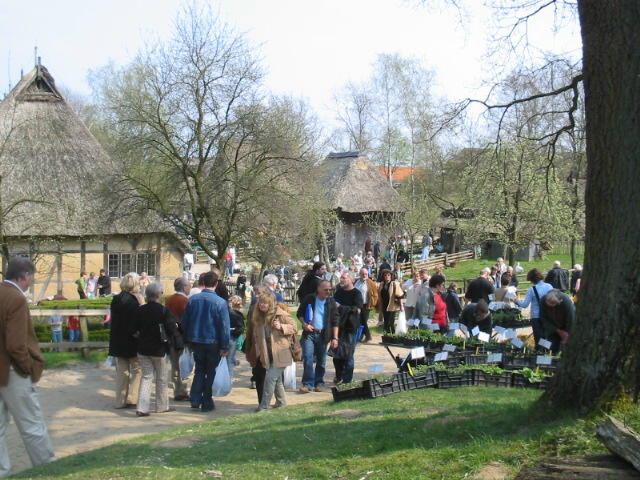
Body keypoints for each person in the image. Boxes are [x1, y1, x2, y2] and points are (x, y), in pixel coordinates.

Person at [0, 257, 55, 476]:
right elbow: (16, 345)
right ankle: (47, 468)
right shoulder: (16, 298)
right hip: (12, 371)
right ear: (25, 276)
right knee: (32, 425)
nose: (32, 282)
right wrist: (27, 368)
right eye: (31, 277)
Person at [181, 271, 230, 412]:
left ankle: (195, 398)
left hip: (196, 340)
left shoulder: (193, 300)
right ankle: (207, 401)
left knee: (200, 370)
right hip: (213, 341)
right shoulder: (220, 302)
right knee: (210, 371)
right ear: (216, 284)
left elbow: (185, 322)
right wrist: (224, 346)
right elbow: (224, 326)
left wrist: (187, 339)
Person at [133, 282, 181, 417]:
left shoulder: (140, 310)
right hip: (159, 349)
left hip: (143, 348)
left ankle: (142, 407)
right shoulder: (163, 311)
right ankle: (161, 406)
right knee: (161, 377)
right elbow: (171, 329)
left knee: (146, 377)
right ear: (159, 295)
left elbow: (134, 330)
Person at [247, 293, 297, 411]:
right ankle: (282, 402)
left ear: (271, 303)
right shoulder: (258, 317)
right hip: (267, 354)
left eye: (265, 302)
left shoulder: (280, 314)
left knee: (270, 378)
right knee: (277, 379)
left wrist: (281, 327)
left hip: (281, 353)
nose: (262, 305)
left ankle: (264, 406)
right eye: (260, 302)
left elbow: (294, 327)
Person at [296, 280, 339, 393]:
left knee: (321, 360)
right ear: (318, 289)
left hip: (323, 335)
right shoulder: (309, 298)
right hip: (309, 334)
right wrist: (304, 324)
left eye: (330, 289)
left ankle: (319, 383)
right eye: (326, 290)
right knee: (308, 357)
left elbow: (335, 321)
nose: (328, 292)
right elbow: (299, 313)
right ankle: (307, 384)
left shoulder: (331, 301)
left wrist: (335, 338)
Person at [108, 272, 143, 409]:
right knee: (137, 369)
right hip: (132, 339)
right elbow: (136, 320)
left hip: (117, 338)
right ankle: (132, 398)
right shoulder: (135, 301)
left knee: (122, 371)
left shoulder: (115, 299)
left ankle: (120, 400)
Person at [331, 272, 363, 384]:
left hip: (350, 328)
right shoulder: (338, 292)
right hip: (338, 327)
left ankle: (347, 381)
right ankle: (339, 376)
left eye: (344, 278)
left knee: (348, 355)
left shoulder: (357, 294)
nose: (341, 280)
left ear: (351, 280)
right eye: (341, 278)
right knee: (336, 355)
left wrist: (341, 307)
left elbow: (357, 310)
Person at [165, 277, 191, 401]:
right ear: (184, 287)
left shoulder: (169, 299)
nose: (190, 288)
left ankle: (177, 390)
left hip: (170, 337)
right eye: (188, 286)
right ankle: (183, 390)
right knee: (185, 364)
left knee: (175, 364)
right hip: (182, 337)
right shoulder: (185, 300)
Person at [516, 269, 554, 347]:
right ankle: (547, 353)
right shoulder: (549, 286)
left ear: (532, 279)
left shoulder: (532, 290)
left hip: (536, 317)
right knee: (547, 338)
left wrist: (516, 301)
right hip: (548, 316)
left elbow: (524, 305)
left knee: (538, 339)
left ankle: (539, 354)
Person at [539, 289, 575, 354]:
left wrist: (567, 334)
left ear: (560, 301)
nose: (551, 305)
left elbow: (571, 319)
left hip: (566, 327)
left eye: (553, 304)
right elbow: (543, 319)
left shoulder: (566, 301)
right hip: (553, 328)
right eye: (549, 303)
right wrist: (558, 331)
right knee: (552, 346)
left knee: (567, 347)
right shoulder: (543, 301)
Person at [354, 267, 378, 343]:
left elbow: (375, 294)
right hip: (357, 305)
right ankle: (361, 336)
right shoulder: (356, 282)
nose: (364, 275)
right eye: (363, 274)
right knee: (359, 321)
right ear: (360, 274)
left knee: (364, 321)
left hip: (365, 305)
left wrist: (373, 303)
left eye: (366, 274)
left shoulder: (370, 283)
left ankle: (367, 336)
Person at [227, 295, 245, 378]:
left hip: (223, 336)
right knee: (229, 360)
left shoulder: (225, 311)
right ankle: (228, 380)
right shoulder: (237, 315)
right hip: (232, 338)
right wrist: (235, 334)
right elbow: (240, 328)